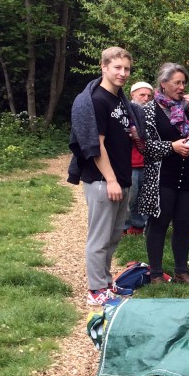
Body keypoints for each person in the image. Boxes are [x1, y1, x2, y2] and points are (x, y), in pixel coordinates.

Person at [67, 47, 141, 306]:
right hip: (102, 180)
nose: (123, 73)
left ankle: (107, 283)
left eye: (127, 69)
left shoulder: (119, 99)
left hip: (121, 178)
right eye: (117, 68)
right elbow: (94, 144)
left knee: (113, 237)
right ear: (104, 67)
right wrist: (110, 180)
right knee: (99, 238)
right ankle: (96, 290)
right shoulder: (97, 100)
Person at [138, 63, 189, 285]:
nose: (182, 87)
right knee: (158, 226)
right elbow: (144, 146)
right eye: (177, 83)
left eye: (184, 83)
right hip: (162, 178)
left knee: (183, 225)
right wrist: (172, 146)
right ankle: (156, 274)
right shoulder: (149, 110)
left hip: (188, 177)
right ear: (163, 83)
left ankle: (182, 272)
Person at [123, 82, 153, 236]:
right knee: (129, 198)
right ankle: (123, 227)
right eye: (142, 95)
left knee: (144, 197)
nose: (146, 98)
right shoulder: (125, 112)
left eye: (149, 96)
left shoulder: (153, 114)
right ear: (132, 95)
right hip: (130, 162)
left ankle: (138, 226)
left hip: (148, 163)